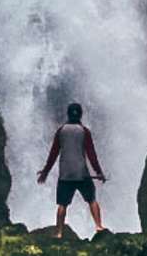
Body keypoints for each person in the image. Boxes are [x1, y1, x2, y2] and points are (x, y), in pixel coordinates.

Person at [37, 101, 106, 237]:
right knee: (91, 199)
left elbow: (53, 153)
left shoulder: (61, 131)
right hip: (82, 174)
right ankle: (98, 226)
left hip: (65, 175)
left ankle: (59, 232)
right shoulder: (84, 131)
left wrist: (45, 172)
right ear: (80, 115)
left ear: (68, 115)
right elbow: (91, 154)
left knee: (62, 204)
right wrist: (98, 172)